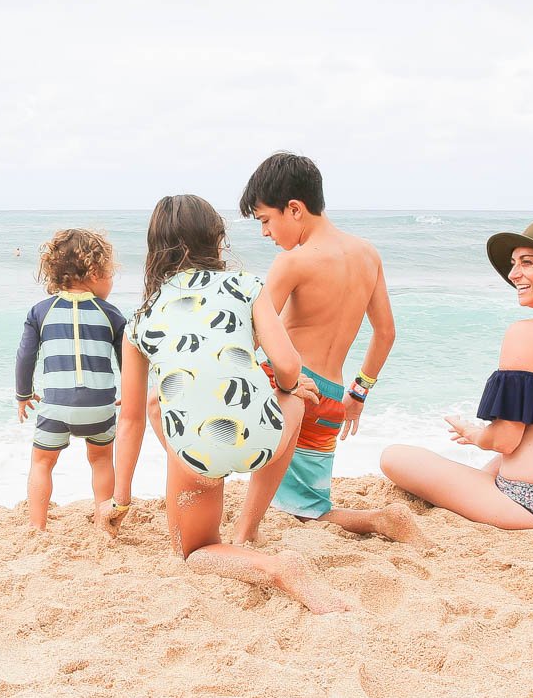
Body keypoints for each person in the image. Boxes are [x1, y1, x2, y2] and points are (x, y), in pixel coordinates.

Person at [102, 195, 353, 613]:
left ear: (155, 250)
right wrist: (291, 387)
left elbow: (128, 422)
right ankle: (249, 527)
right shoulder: (246, 287)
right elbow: (288, 364)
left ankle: (272, 564)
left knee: (195, 551)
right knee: (293, 397)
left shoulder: (141, 319)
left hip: (197, 451)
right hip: (263, 438)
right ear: (216, 240)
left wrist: (120, 499)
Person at [380, 220, 533, 532]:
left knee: (394, 457)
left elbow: (504, 440)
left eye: (527, 262)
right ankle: (485, 481)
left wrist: (474, 433)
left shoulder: (525, 334)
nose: (513, 275)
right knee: (518, 452)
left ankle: (483, 482)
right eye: (514, 264)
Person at [232, 152, 418, 544]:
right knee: (310, 509)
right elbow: (386, 333)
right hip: (330, 397)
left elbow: (254, 335)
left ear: (294, 209)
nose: (265, 232)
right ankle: (378, 520)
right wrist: (358, 393)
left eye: (266, 220)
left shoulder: (293, 262)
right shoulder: (368, 254)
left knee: (214, 437)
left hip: (288, 386)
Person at [14, 229, 127, 530]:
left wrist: (23, 394)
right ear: (93, 271)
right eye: (109, 274)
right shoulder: (111, 314)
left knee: (42, 463)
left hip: (56, 407)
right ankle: (106, 525)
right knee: (101, 460)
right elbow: (127, 361)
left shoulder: (41, 311)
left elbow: (25, 356)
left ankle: (37, 527)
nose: (112, 282)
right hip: (99, 406)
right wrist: (128, 395)